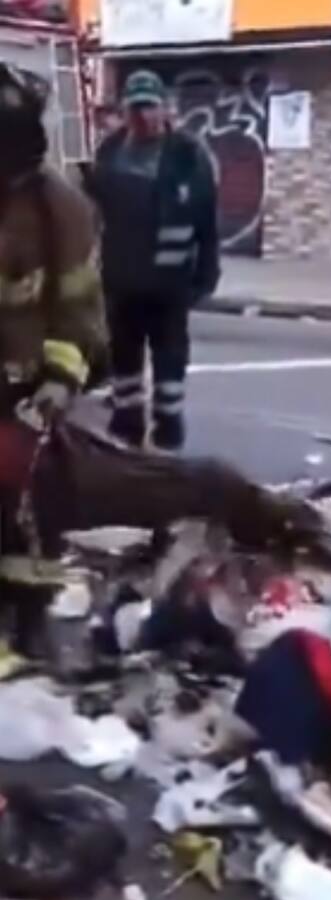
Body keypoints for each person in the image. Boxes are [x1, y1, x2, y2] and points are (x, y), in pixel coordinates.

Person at [0, 62, 107, 655]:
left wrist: (59, 380)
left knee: (26, 507)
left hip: (25, 382)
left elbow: (79, 309)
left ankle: (30, 622)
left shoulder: (59, 209)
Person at [88, 69, 220, 452]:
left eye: (150, 107)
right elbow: (99, 211)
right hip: (122, 280)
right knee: (124, 357)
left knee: (169, 359)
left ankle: (168, 426)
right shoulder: (110, 151)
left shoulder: (188, 155)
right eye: (135, 108)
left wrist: (206, 274)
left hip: (169, 284)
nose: (143, 116)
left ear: (165, 108)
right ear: (125, 111)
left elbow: (206, 220)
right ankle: (127, 422)